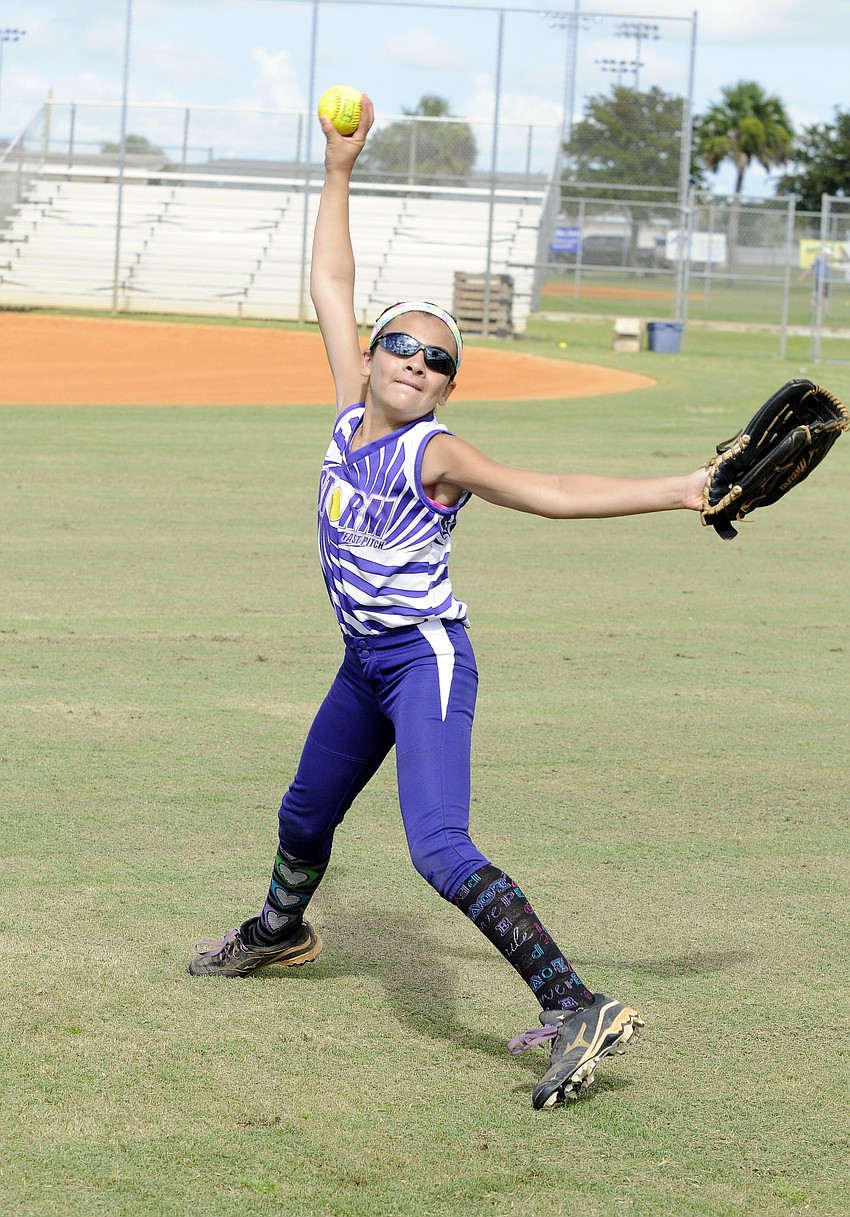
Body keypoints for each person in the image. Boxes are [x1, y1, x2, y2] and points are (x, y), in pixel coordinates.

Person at [188, 95, 709, 1109]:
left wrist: (680, 488)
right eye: (402, 345)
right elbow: (330, 283)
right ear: (372, 355)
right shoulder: (349, 410)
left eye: (439, 361)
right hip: (362, 664)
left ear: (444, 388)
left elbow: (551, 493)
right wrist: (339, 169)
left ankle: (576, 1002)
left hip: (423, 658)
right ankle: (280, 930)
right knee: (303, 813)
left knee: (436, 845)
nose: (417, 362)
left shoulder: (436, 452)